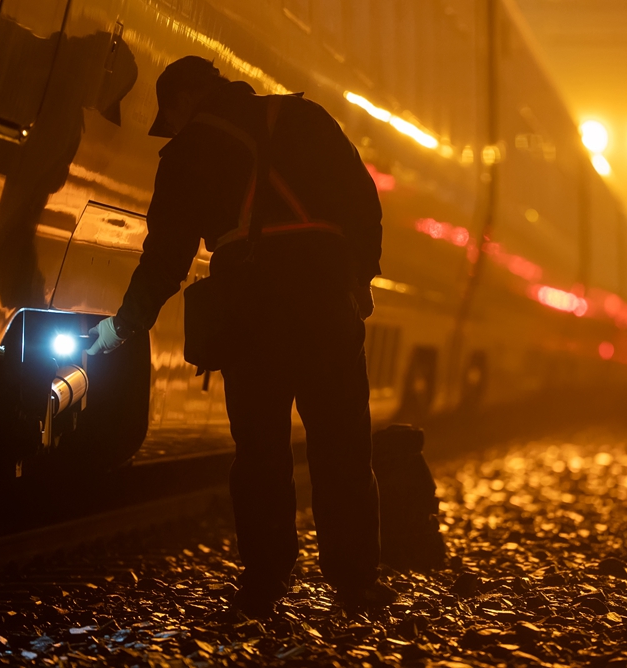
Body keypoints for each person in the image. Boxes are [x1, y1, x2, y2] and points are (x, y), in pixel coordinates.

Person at [86, 56, 395, 613]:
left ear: (184, 99)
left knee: (260, 451)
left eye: (170, 115)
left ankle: (265, 581)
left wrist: (125, 325)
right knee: (343, 446)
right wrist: (360, 279)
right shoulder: (306, 118)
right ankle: (355, 583)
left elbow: (167, 256)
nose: (173, 127)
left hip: (251, 310)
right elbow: (363, 199)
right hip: (326, 299)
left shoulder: (188, 151)